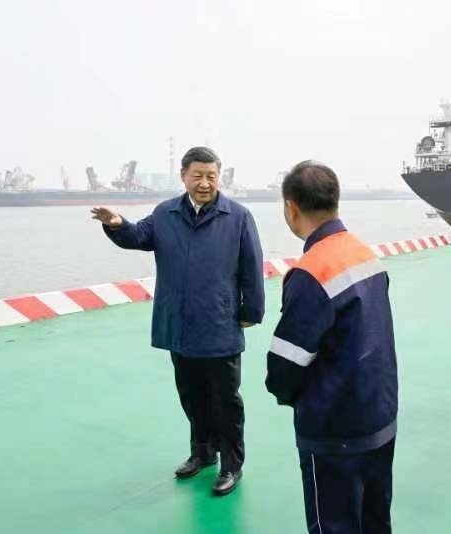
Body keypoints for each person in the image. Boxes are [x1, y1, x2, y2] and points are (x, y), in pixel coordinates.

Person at [91, 146, 265, 496]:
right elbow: (139, 236)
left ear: (219, 177)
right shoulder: (165, 213)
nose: (205, 183)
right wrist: (116, 224)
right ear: (183, 176)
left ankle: (232, 464)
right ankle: (203, 453)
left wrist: (252, 312)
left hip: (218, 323)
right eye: (197, 175)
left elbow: (252, 267)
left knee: (226, 400)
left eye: (211, 176)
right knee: (191, 394)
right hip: (180, 323)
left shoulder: (238, 217)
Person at [265, 161, 398, 533]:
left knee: (335, 523)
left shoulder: (311, 271)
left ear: (291, 208)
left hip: (335, 427)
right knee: (375, 519)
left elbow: (286, 364)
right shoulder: (363, 253)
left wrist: (284, 393)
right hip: (379, 413)